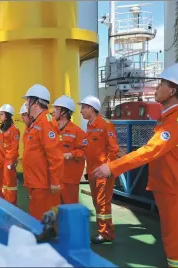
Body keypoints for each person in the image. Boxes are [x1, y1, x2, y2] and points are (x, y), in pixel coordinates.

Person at [93, 63, 178, 267]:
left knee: (177, 247)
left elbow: (150, 151)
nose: (157, 88)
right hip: (169, 188)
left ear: (173, 90)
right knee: (174, 242)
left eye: (162, 84)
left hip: (176, 190)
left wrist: (112, 167)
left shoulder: (177, 119)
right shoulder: (169, 117)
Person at [78, 95, 119, 244]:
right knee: (96, 202)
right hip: (92, 171)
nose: (81, 111)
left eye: (83, 107)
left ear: (91, 108)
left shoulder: (105, 125)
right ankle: (104, 230)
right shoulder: (90, 125)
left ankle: (106, 233)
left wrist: (108, 168)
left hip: (103, 171)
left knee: (102, 203)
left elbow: (113, 149)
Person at [22, 84, 63, 220]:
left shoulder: (46, 122)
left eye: (28, 100)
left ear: (35, 102)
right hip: (37, 182)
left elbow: (55, 154)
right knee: (37, 217)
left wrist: (55, 181)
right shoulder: (38, 122)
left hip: (43, 184)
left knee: (42, 220)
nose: (26, 104)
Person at [52, 95, 86, 204]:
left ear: (64, 112)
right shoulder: (52, 130)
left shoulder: (77, 132)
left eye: (56, 109)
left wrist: (70, 155)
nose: (53, 111)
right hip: (55, 178)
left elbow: (84, 151)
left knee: (70, 208)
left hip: (70, 179)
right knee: (55, 209)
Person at [0, 104, 20, 205]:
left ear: (7, 115)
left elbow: (14, 148)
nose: (0, 117)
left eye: (1, 114)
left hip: (8, 162)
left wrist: (11, 163)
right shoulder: (3, 129)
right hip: (3, 160)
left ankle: (11, 204)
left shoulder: (13, 130)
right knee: (3, 184)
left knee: (10, 185)